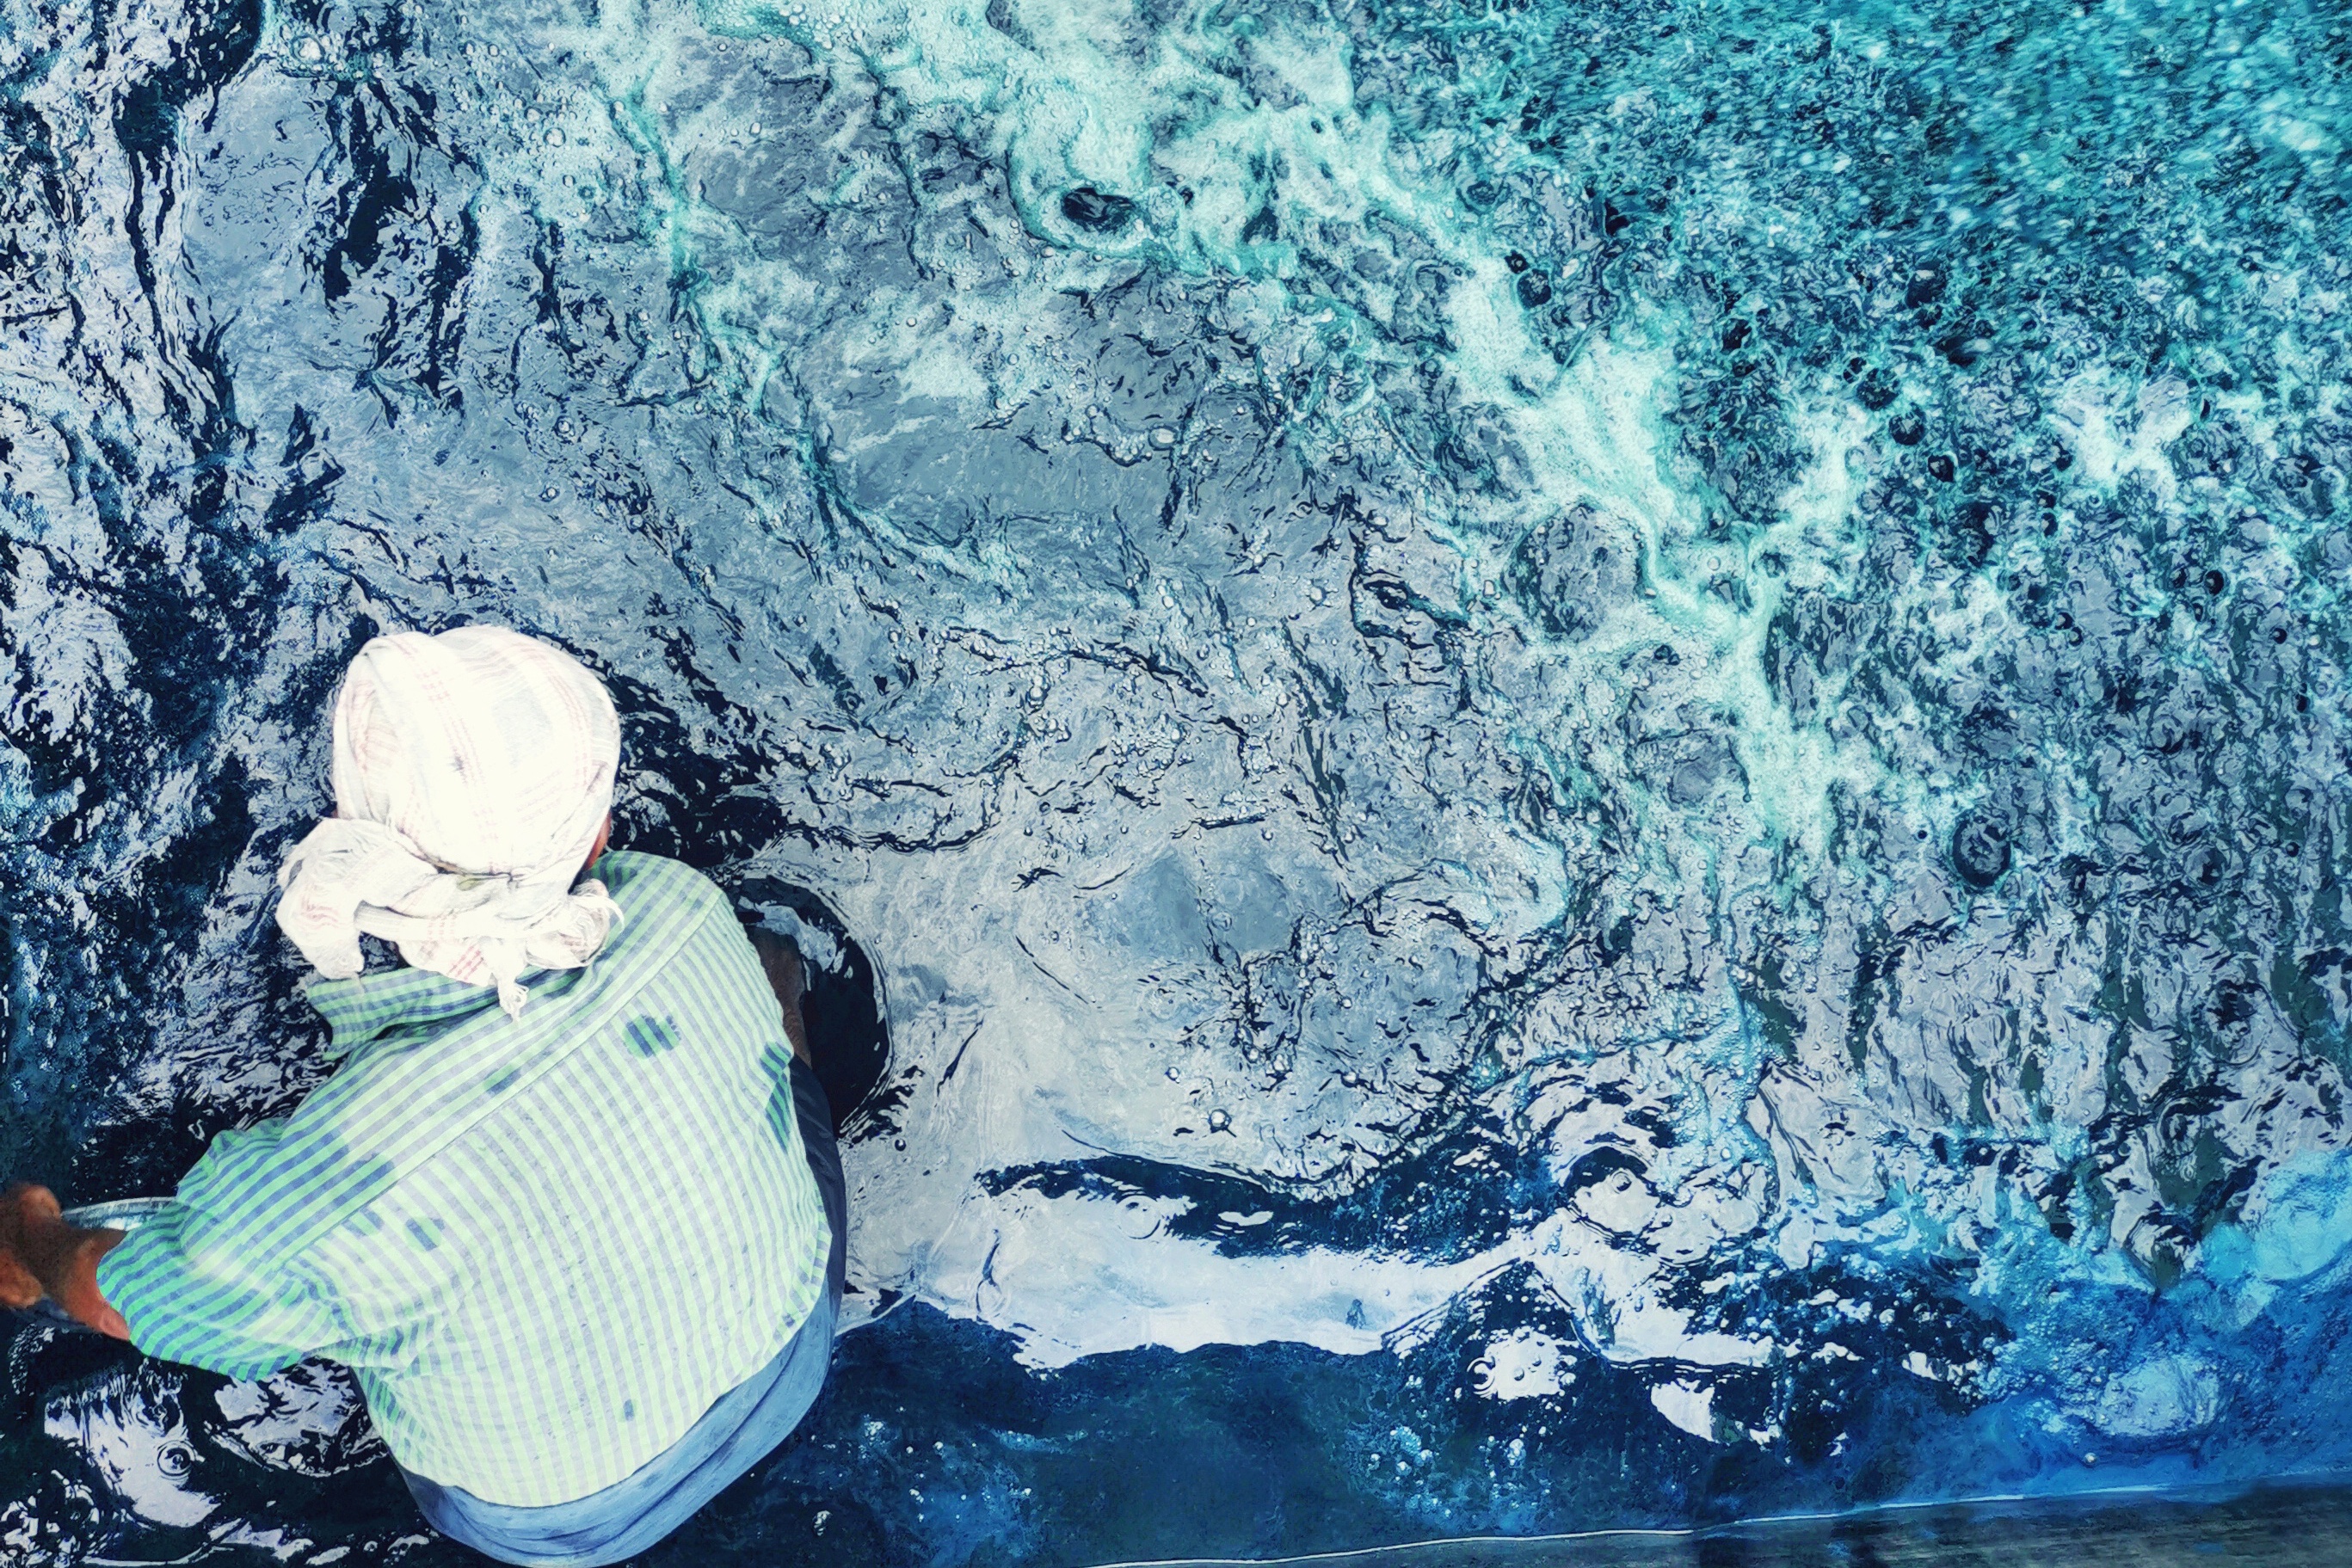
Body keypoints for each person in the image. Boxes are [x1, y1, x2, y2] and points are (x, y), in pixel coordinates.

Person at [0, 626, 843, 1566]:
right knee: (768, 975)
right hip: (799, 1349)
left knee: (307, 1284)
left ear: (354, 851)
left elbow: (121, 1297)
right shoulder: (680, 905)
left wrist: (31, 1238)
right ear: (598, 834)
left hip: (556, 1524)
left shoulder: (294, 1198)